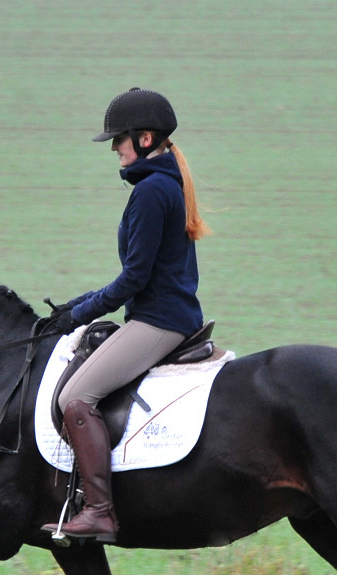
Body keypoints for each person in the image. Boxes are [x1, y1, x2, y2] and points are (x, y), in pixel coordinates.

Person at [41, 87, 212, 544]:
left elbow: (133, 280)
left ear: (144, 138)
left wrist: (78, 314)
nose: (114, 147)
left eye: (119, 138)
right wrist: (76, 304)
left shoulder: (152, 191)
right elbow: (136, 275)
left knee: (75, 397)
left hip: (159, 321)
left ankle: (99, 511)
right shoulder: (163, 181)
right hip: (162, 313)